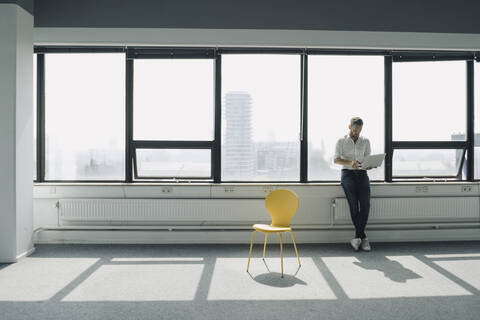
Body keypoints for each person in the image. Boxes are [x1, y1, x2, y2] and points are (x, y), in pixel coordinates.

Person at [334, 117, 374, 252]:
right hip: (347, 174)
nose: (357, 132)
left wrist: (369, 165)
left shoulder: (366, 141)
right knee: (353, 205)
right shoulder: (341, 141)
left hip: (362, 174)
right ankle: (364, 238)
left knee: (366, 205)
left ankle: (358, 237)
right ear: (349, 126)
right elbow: (336, 159)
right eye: (355, 129)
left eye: (359, 129)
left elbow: (368, 158)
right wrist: (350, 163)